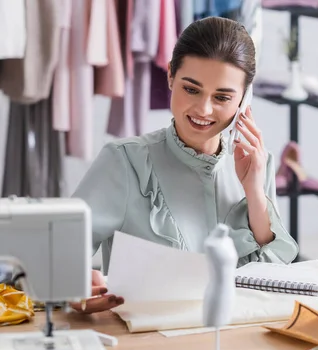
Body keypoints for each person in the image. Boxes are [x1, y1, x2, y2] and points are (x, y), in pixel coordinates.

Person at [71, 16, 299, 314]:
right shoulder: (124, 162)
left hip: (241, 338)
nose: (203, 109)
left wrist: (254, 192)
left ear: (244, 99)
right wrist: (74, 287)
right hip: (148, 344)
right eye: (191, 89)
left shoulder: (258, 163)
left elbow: (275, 275)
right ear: (170, 76)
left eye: (222, 97)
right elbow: (57, 254)